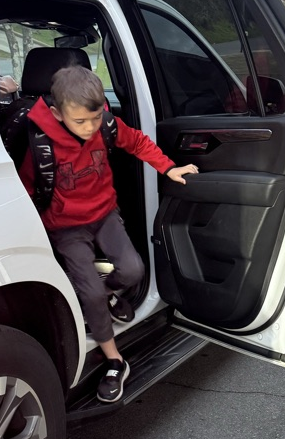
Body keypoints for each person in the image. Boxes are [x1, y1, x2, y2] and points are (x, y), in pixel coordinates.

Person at [18, 66, 198, 403]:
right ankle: (115, 359)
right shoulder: (41, 144)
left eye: (95, 119)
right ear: (57, 114)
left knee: (133, 270)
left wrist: (169, 168)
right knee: (90, 295)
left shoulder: (106, 127)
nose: (89, 129)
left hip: (104, 215)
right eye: (79, 122)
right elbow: (27, 191)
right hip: (65, 228)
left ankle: (109, 295)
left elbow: (138, 142)